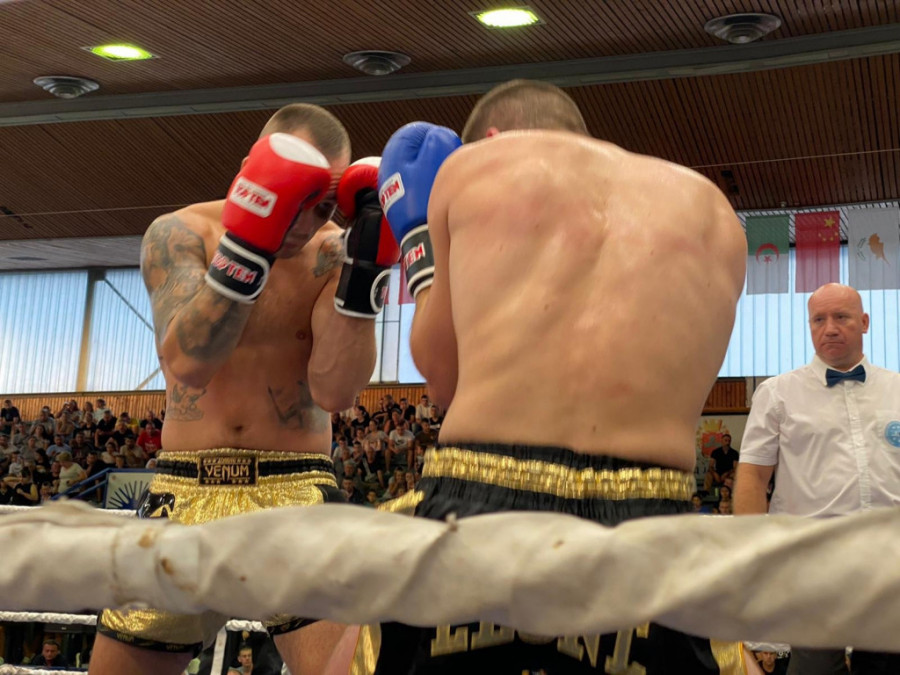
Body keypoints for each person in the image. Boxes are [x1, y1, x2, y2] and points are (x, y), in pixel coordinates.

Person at [327, 79, 747, 673]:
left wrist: (420, 254)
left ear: (493, 138)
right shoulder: (715, 211)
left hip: (483, 501)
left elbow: (443, 379)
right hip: (651, 520)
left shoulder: (476, 168)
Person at [90, 103, 398, 675]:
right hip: (183, 490)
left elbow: (336, 391)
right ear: (251, 174)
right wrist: (249, 244)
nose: (307, 220)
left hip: (295, 490)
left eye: (324, 204)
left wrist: (366, 273)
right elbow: (189, 363)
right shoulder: (180, 233)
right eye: (296, 196)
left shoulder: (335, 251)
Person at [735, 283, 900, 675]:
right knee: (815, 668)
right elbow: (753, 477)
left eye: (841, 317)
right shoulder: (777, 393)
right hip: (812, 560)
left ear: (864, 322)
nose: (829, 328)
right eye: (818, 320)